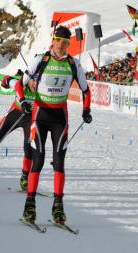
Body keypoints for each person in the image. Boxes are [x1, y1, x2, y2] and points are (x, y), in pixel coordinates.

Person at [17, 25, 92, 224]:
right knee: (39, 160)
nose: (61, 45)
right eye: (58, 40)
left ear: (69, 44)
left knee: (59, 162)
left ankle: (58, 206)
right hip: (40, 115)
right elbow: (20, 83)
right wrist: (23, 100)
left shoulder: (73, 64)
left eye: (65, 42)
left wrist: (86, 110)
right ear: (53, 40)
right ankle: (29, 205)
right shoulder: (41, 60)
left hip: (60, 118)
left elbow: (86, 90)